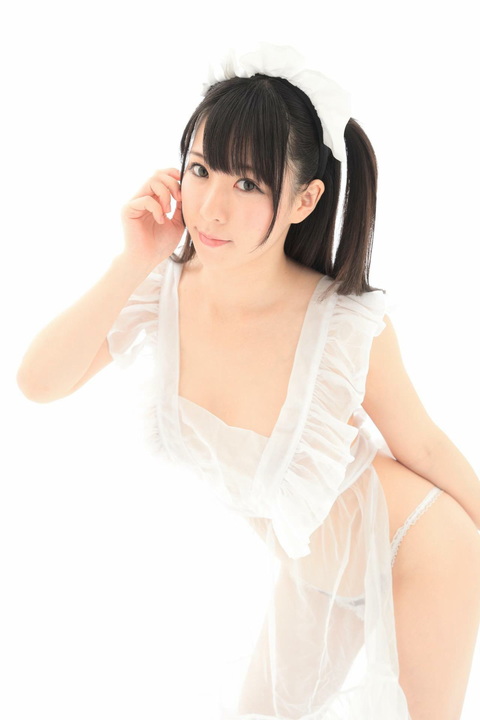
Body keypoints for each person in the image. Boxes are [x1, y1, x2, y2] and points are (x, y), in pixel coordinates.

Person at [16, 42, 480, 720]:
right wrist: (133, 259)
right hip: (313, 577)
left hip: (421, 549)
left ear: (305, 199)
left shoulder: (343, 328)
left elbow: (426, 448)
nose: (210, 208)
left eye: (248, 184)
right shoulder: (161, 292)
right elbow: (37, 382)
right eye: (201, 169)